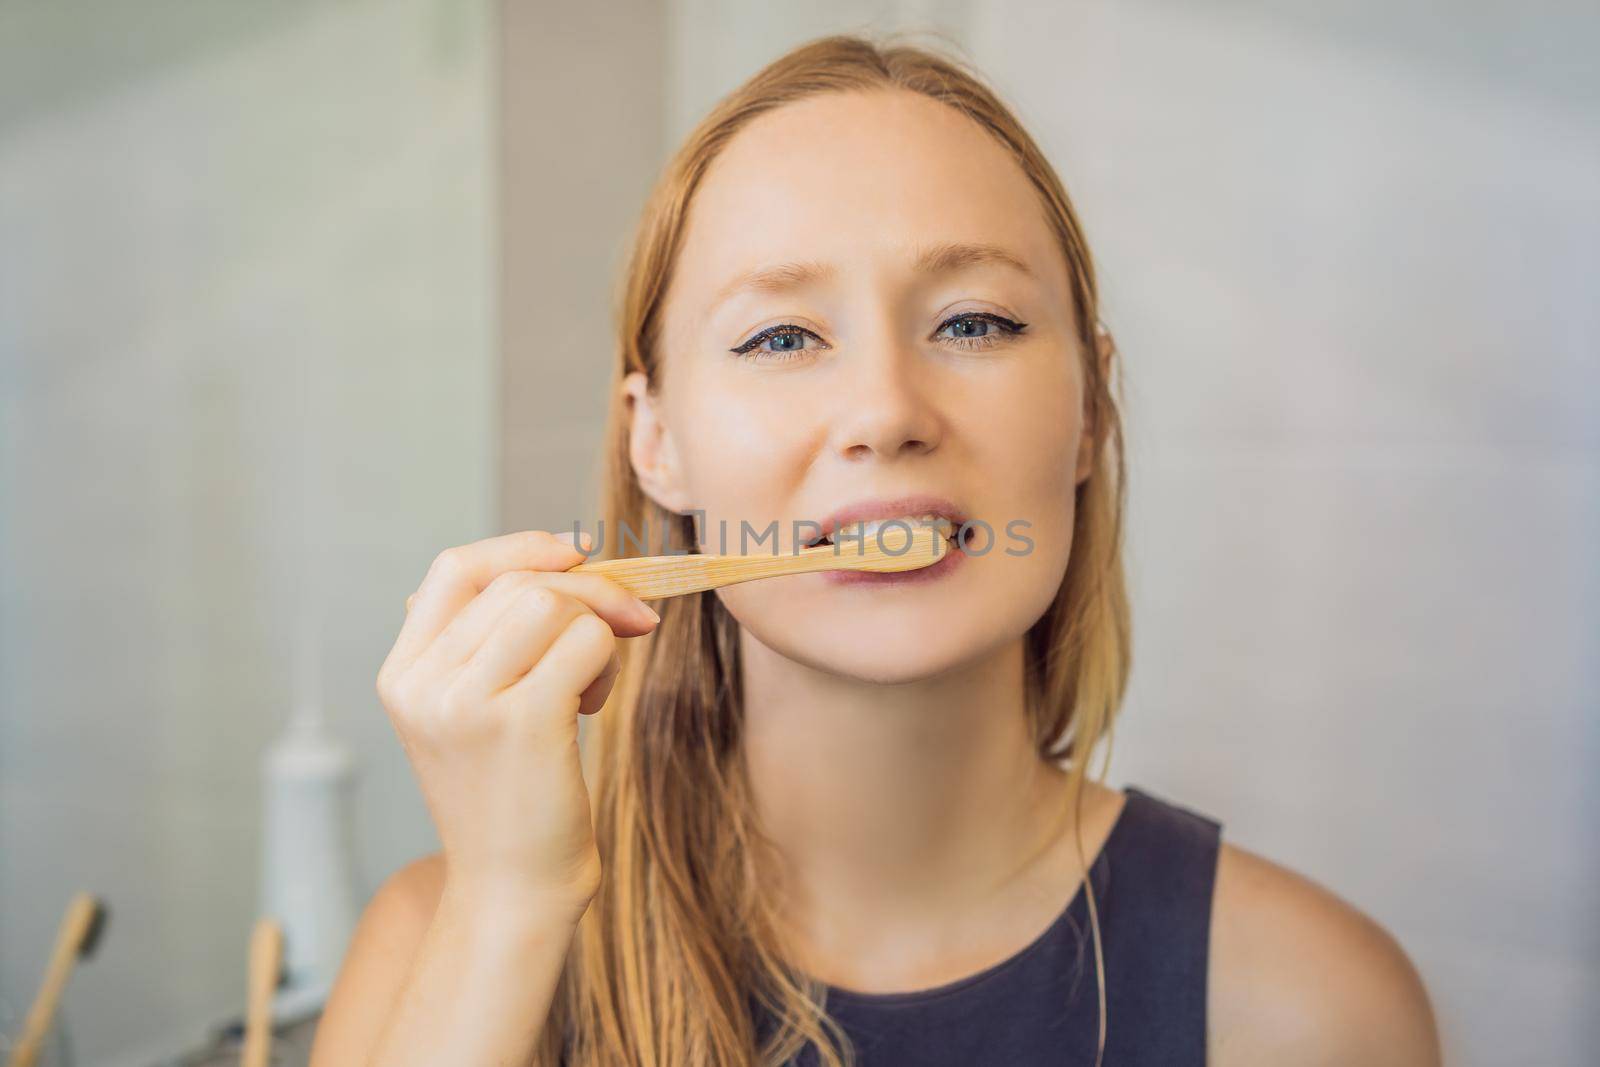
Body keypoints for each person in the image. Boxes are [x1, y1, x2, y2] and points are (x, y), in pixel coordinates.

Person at [308, 33, 1441, 1067]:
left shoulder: (1305, 1003)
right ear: (656, 442)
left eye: (973, 322)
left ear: (1090, 409)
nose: (886, 409)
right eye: (783, 335)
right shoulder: (442, 952)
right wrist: (507, 908)